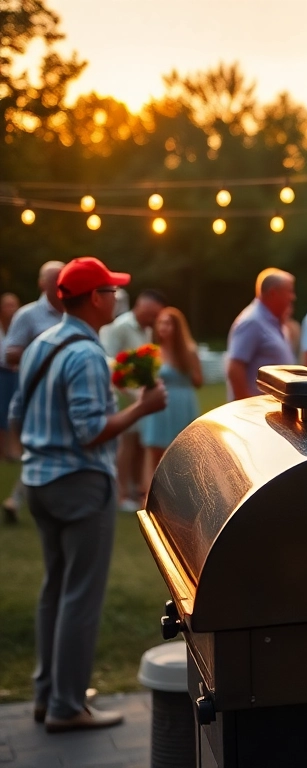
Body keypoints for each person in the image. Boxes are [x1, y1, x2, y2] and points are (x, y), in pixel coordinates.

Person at [7, 257, 166, 733]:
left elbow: (17, 414)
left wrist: (39, 449)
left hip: (39, 482)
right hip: (80, 485)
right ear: (93, 298)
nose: (116, 297)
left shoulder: (39, 345)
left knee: (54, 590)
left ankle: (46, 696)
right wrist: (142, 409)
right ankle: (67, 706)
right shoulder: (87, 355)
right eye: (111, 291)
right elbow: (91, 432)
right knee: (80, 596)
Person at [4, 261, 65, 519]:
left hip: (65, 394)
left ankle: (18, 500)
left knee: (50, 449)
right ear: (42, 284)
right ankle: (20, 500)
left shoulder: (71, 312)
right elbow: (9, 354)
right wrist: (44, 352)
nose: (60, 285)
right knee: (39, 449)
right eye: (55, 281)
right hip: (36, 395)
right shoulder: (28, 315)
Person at [99, 289, 167, 512]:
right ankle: (120, 495)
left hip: (141, 394)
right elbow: (109, 360)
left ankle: (138, 489)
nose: (152, 320)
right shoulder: (121, 326)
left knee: (140, 444)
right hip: (122, 394)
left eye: (155, 315)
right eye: (150, 314)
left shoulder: (146, 329)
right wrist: (133, 393)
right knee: (125, 446)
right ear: (139, 307)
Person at [139, 307, 202, 499]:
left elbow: (199, 380)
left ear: (177, 327)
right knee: (155, 453)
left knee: (182, 453)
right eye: (161, 323)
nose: (164, 327)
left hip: (183, 403)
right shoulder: (152, 353)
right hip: (160, 406)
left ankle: (180, 498)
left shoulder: (189, 352)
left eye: (168, 323)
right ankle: (151, 499)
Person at [226, 269, 296, 400]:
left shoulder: (274, 321)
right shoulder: (252, 322)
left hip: (271, 409)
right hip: (256, 412)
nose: (293, 297)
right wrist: (246, 405)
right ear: (274, 293)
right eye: (289, 291)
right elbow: (235, 369)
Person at [1, 292, 20, 465]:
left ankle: (12, 450)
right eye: (8, 305)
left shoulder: (19, 327)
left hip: (16, 373)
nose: (11, 309)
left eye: (14, 305)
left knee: (13, 411)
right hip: (1, 373)